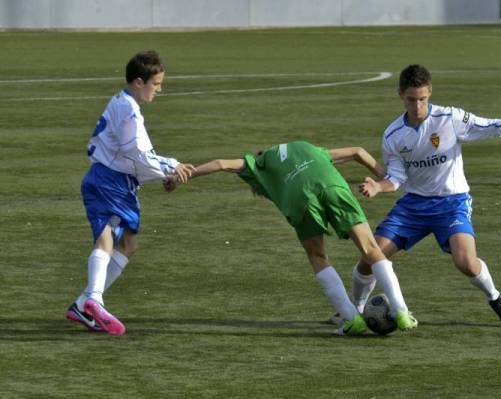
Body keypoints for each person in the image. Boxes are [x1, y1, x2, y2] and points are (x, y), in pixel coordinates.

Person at [165, 141, 418, 335]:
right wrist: (383, 176)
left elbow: (220, 164)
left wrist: (182, 176)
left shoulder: (258, 162)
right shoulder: (307, 147)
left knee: (318, 255)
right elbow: (358, 151)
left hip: (300, 198)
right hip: (332, 184)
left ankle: (351, 319)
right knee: (370, 247)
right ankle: (402, 311)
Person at [354, 64, 501, 327]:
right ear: (400, 95)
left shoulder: (450, 118)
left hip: (452, 203)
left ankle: (495, 297)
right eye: (411, 99)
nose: (417, 105)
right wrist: (377, 186)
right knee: (369, 258)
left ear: (429, 92)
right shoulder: (393, 135)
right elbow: (396, 177)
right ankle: (354, 310)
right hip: (413, 206)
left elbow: (489, 126)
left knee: (466, 263)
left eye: (422, 99)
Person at [65, 51, 195, 335]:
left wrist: (166, 172)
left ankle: (83, 303)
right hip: (109, 182)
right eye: (156, 84)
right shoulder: (129, 111)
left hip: (113, 181)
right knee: (106, 242)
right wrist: (172, 167)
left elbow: (134, 158)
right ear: (139, 82)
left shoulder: (123, 103)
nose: (159, 90)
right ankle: (94, 300)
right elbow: (137, 154)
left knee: (128, 245)